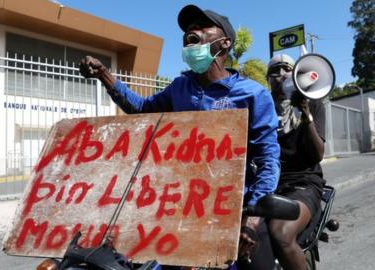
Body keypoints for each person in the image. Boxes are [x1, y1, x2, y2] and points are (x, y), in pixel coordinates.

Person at [78, 4, 280, 262]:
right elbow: (142, 109)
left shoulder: (253, 94)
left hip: (235, 209)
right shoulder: (179, 87)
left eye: (202, 26)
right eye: (188, 28)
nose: (192, 30)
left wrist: (250, 220)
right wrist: (105, 75)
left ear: (225, 43)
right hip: (179, 205)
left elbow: (268, 160)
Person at [240, 54, 326, 270]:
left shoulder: (312, 103)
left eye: (286, 69)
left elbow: (317, 155)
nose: (281, 75)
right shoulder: (260, 106)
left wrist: (306, 114)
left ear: (295, 74)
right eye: (274, 72)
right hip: (267, 184)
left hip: (302, 183)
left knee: (281, 233)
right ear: (268, 79)